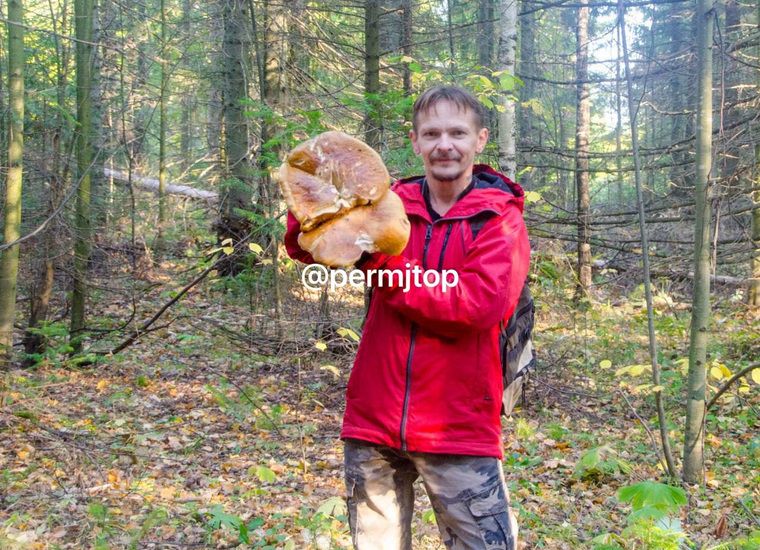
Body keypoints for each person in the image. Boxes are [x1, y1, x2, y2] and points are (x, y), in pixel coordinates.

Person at [284, 85, 530, 550]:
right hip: (373, 421)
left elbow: (475, 305)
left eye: (457, 132)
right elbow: (303, 247)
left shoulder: (499, 219)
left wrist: (384, 265)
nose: (445, 145)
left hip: (458, 427)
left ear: (480, 140)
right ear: (416, 142)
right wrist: (314, 203)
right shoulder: (386, 205)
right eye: (432, 133)